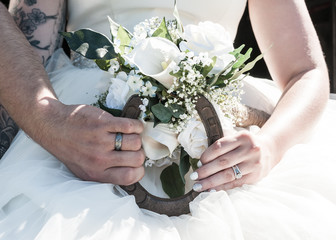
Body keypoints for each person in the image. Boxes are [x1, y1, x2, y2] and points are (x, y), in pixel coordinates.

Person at [1, 0, 336, 239]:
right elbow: (33, 50)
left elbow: (304, 71)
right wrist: (46, 124)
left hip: (229, 134)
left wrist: (272, 144)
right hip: (91, 130)